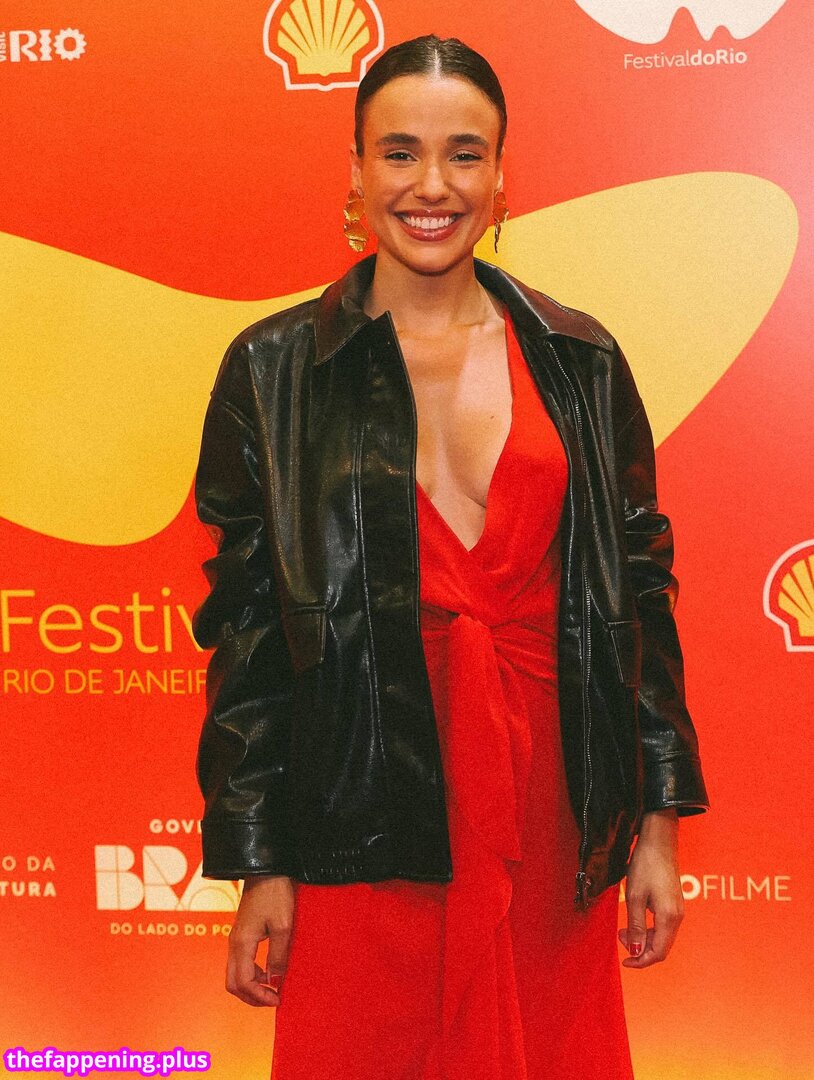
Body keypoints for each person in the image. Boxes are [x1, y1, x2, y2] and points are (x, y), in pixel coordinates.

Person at [191, 34, 709, 1080]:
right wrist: (259, 861)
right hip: (359, 810)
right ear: (354, 170)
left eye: (464, 154)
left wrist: (654, 827)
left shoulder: (580, 360)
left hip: (550, 808)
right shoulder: (273, 370)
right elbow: (247, 634)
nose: (432, 185)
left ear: (502, 175)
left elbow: (637, 598)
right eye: (400, 152)